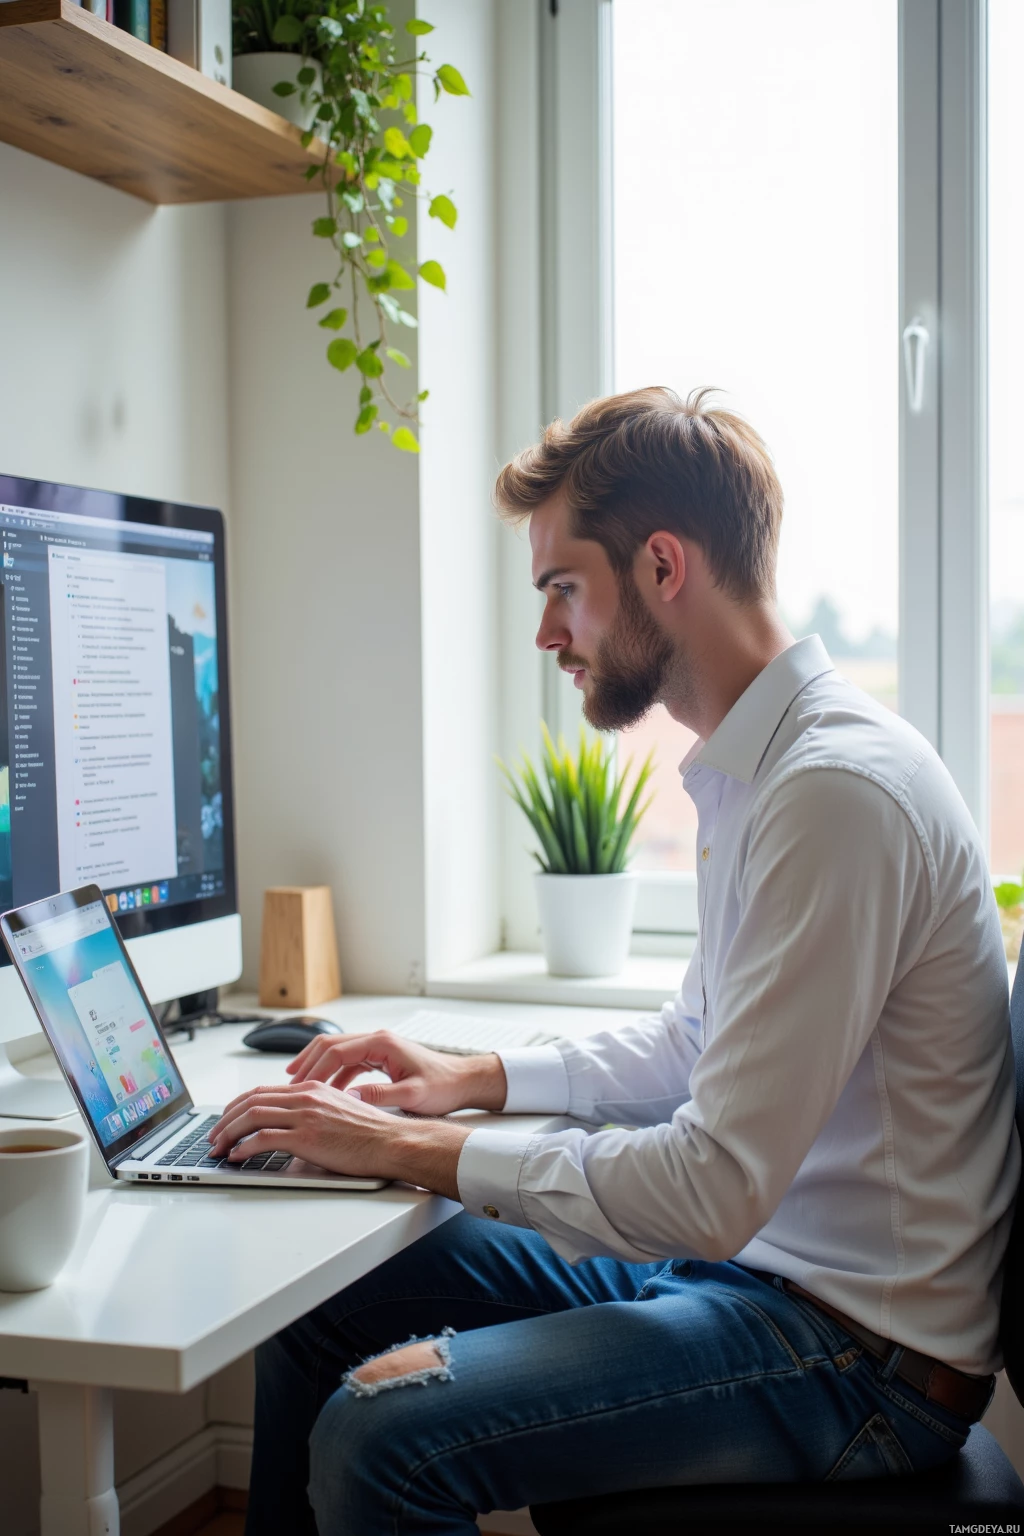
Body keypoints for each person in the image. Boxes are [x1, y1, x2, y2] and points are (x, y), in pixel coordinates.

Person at [214, 387, 1019, 1535]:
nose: (547, 634)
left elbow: (710, 1184)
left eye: (560, 590)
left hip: (855, 1357)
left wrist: (416, 1146)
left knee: (376, 1436)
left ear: (659, 566)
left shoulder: (833, 794)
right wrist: (471, 1078)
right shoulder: (755, 770)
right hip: (750, 1284)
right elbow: (699, 1044)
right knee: (318, 1304)